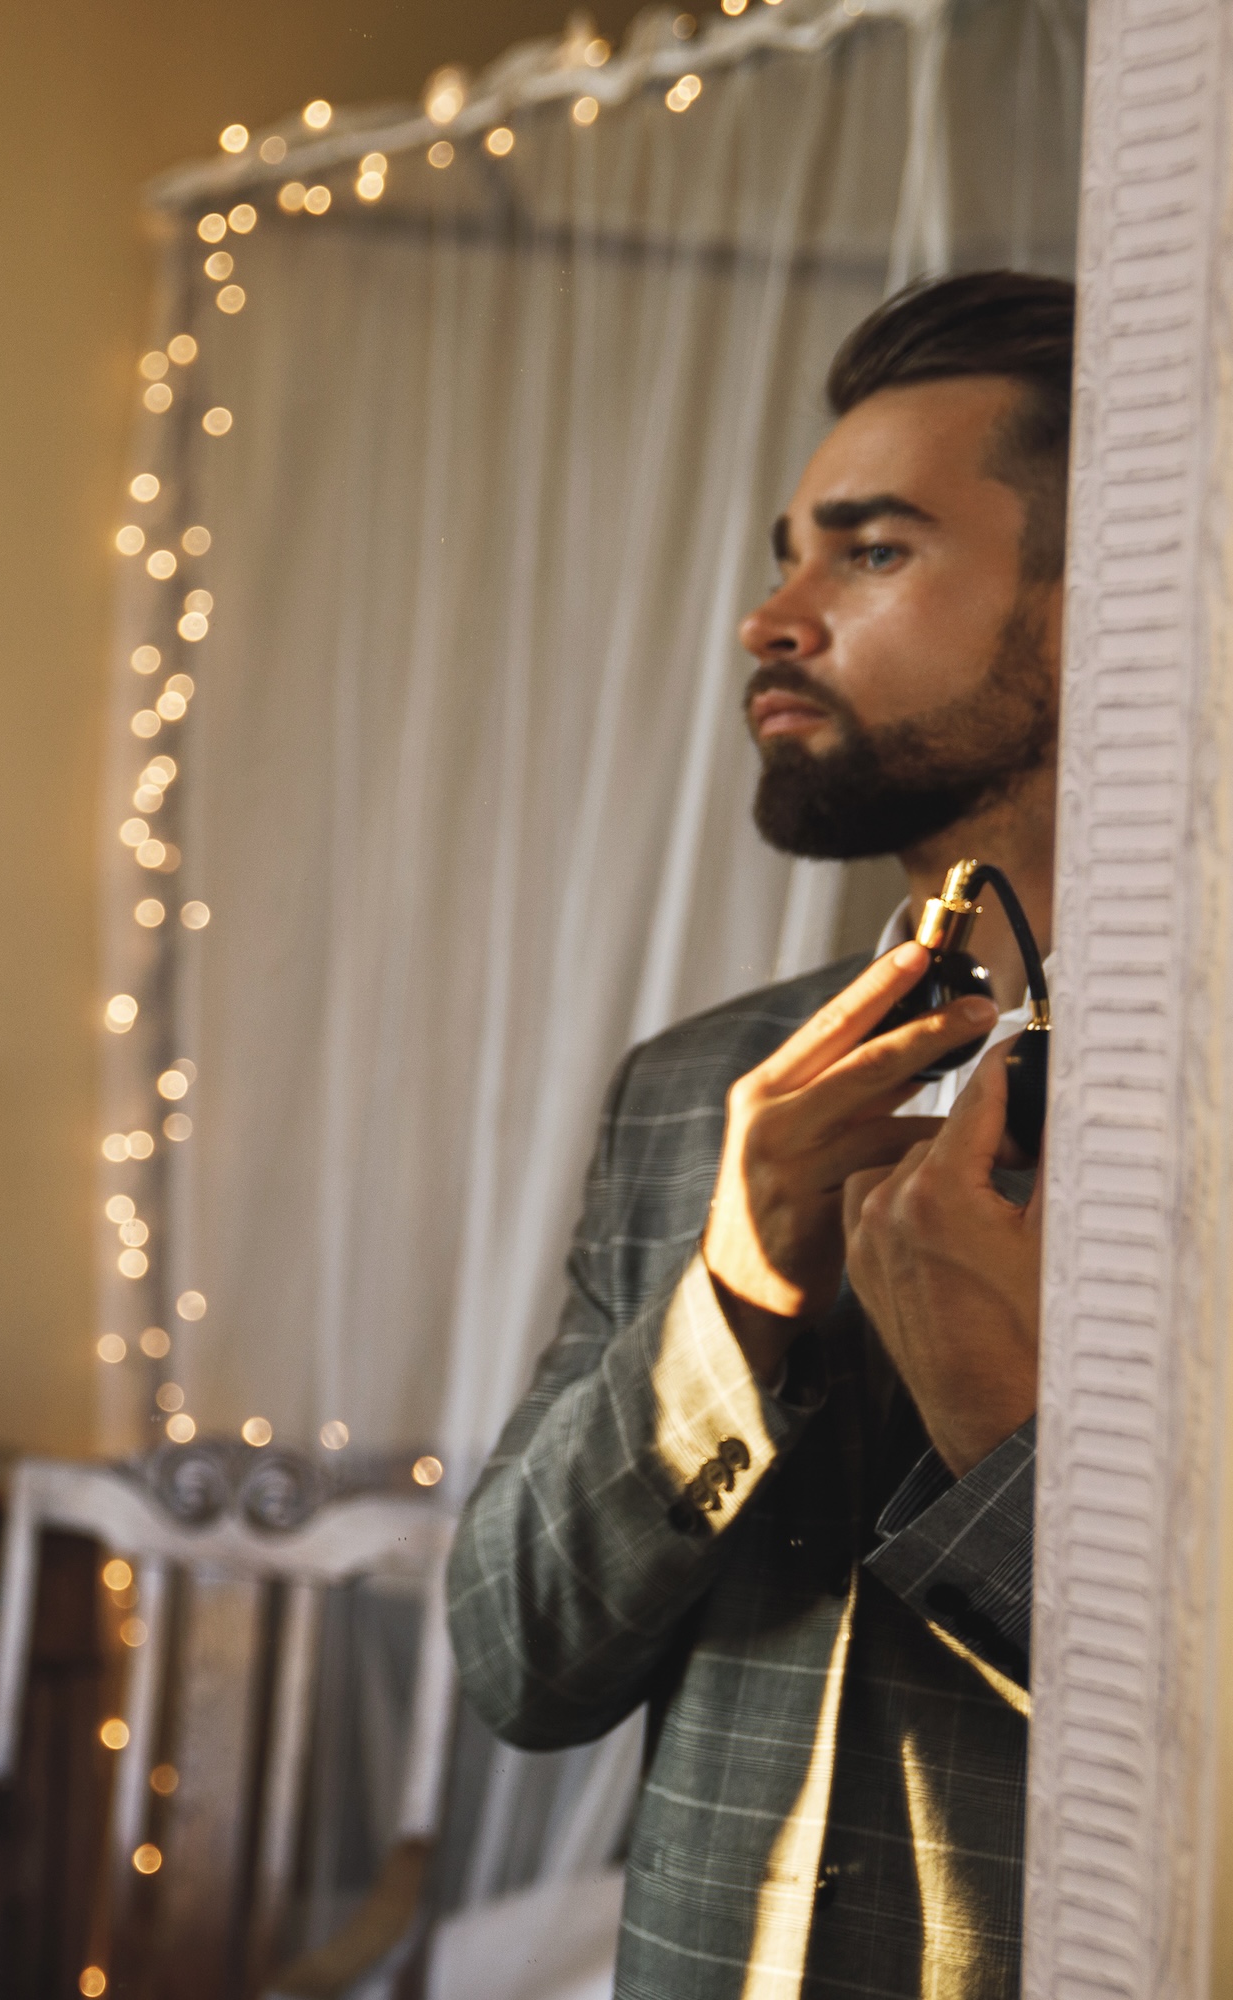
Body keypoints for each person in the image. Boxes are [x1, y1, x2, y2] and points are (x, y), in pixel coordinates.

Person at [449, 270, 1067, 1999]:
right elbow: (516, 1663)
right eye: (788, 548)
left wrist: (1001, 1432)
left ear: (1102, 606)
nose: (768, 619)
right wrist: (734, 1286)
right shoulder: (698, 1090)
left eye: (869, 552)